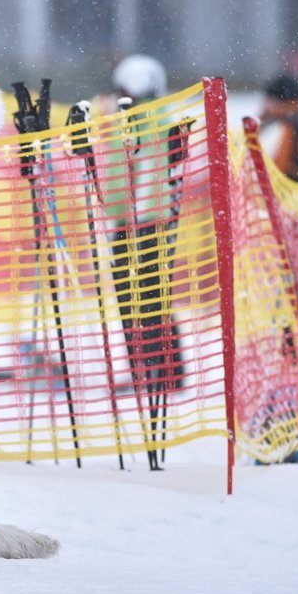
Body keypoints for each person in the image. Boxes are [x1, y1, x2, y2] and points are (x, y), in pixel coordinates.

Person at [107, 54, 186, 470]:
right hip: (131, 224)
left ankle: (162, 368)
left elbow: (155, 174)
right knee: (135, 298)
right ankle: (146, 368)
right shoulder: (125, 123)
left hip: (149, 225)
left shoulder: (161, 124)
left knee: (151, 298)